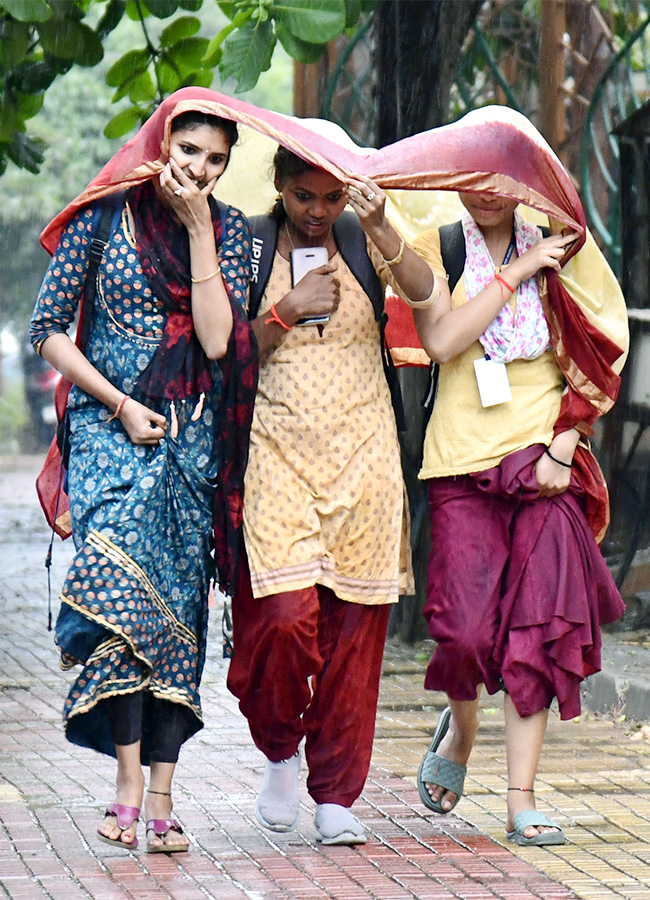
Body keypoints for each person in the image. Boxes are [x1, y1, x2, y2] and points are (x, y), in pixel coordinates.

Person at [30, 94, 256, 853]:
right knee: (113, 590)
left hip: (192, 446)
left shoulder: (229, 235)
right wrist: (119, 402)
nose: (199, 168)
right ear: (162, 144)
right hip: (106, 431)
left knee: (176, 621)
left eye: (216, 159)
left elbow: (221, 343)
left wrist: (198, 234)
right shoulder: (102, 218)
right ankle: (126, 783)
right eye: (188, 150)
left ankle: (161, 795)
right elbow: (48, 331)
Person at [226, 145, 442, 845]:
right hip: (276, 459)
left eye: (331, 198)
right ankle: (280, 750)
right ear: (280, 189)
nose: (318, 213)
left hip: (365, 459)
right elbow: (220, 356)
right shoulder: (249, 246)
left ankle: (337, 797)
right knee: (283, 622)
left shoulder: (358, 234)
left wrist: (380, 225)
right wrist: (284, 312)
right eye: (304, 198)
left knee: (355, 638)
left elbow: (422, 291)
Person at [410, 181, 627, 845]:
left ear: (521, 184)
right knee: (466, 636)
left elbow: (602, 348)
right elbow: (443, 341)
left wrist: (565, 445)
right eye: (471, 184)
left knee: (537, 633)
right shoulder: (440, 243)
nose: (486, 196)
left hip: (543, 458)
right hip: (460, 460)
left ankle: (521, 797)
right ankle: (464, 727)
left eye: (499, 185)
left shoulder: (565, 244)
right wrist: (516, 272)